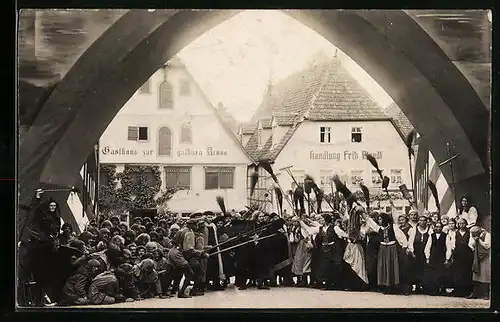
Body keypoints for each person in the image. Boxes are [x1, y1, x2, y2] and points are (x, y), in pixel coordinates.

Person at [364, 212, 408, 294]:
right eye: (378, 219)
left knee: (392, 267)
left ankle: (393, 286)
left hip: (392, 249)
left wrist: (404, 247)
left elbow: (402, 237)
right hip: (383, 249)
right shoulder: (378, 228)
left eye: (380, 219)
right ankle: (385, 286)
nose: (379, 221)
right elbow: (369, 221)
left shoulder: (393, 227)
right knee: (383, 267)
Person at [446, 217, 474, 297]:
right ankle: (457, 291)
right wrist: (453, 252)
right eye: (459, 223)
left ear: (466, 224)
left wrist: (470, 249)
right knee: (457, 273)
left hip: (467, 254)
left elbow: (471, 243)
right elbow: (453, 244)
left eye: (463, 223)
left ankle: (466, 291)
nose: (461, 225)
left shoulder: (469, 233)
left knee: (466, 272)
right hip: (458, 254)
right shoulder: (455, 233)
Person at [407, 215, 432, 293]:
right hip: (416, 252)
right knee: (415, 269)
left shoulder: (430, 230)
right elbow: (410, 242)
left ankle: (423, 286)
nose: (422, 222)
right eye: (420, 220)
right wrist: (412, 252)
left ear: (426, 222)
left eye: (424, 220)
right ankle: (416, 286)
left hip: (425, 252)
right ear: (418, 221)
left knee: (424, 269)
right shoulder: (414, 230)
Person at [423, 222, 449, 295]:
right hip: (433, 257)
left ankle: (443, 290)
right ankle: (434, 290)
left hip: (442, 257)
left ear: (442, 227)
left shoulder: (445, 236)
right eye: (436, 227)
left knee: (442, 273)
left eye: (440, 227)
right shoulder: (432, 236)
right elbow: (427, 247)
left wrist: (447, 258)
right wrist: (427, 258)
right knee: (433, 274)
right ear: (434, 228)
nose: (438, 228)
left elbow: (448, 247)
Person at [468, 226, 490, 300]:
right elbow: (472, 245)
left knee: (484, 275)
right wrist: (475, 240)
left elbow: (487, 246)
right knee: (476, 274)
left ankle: (485, 294)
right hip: (477, 256)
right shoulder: (474, 235)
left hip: (485, 256)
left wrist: (479, 240)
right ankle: (475, 293)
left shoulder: (487, 235)